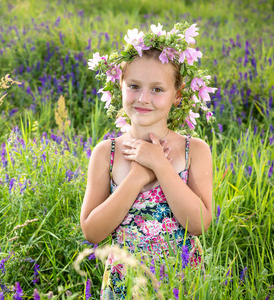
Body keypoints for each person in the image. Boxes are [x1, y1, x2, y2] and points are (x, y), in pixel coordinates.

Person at [80, 23, 215, 298]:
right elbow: (92, 232)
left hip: (182, 279)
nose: (143, 98)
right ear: (119, 86)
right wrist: (138, 177)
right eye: (133, 86)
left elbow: (199, 224)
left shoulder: (195, 151)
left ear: (177, 95)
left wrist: (160, 165)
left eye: (157, 89)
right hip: (125, 284)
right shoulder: (106, 153)